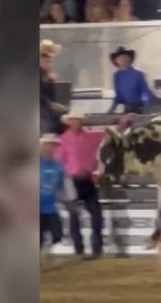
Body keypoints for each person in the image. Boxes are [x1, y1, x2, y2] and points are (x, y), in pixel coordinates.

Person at [55, 110, 104, 259]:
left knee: (96, 215)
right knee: (74, 216)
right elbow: (59, 163)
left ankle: (96, 249)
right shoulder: (62, 140)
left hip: (86, 179)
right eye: (74, 120)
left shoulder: (91, 136)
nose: (77, 122)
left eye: (79, 120)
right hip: (72, 180)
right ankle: (79, 250)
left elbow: (110, 133)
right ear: (69, 122)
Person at [39, 135, 66, 252]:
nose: (51, 149)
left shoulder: (59, 166)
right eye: (48, 145)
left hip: (51, 207)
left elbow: (62, 185)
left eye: (53, 146)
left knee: (57, 235)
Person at [108, 46, 151, 114]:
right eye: (120, 58)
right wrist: (110, 111)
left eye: (125, 57)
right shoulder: (117, 76)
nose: (123, 60)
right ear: (116, 60)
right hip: (127, 110)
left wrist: (146, 108)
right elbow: (118, 97)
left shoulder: (138, 74)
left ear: (129, 59)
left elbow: (145, 93)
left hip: (140, 109)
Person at [40, 40, 67, 134]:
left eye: (51, 61)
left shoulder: (49, 76)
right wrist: (50, 104)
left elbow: (56, 96)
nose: (50, 63)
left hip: (49, 112)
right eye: (47, 60)